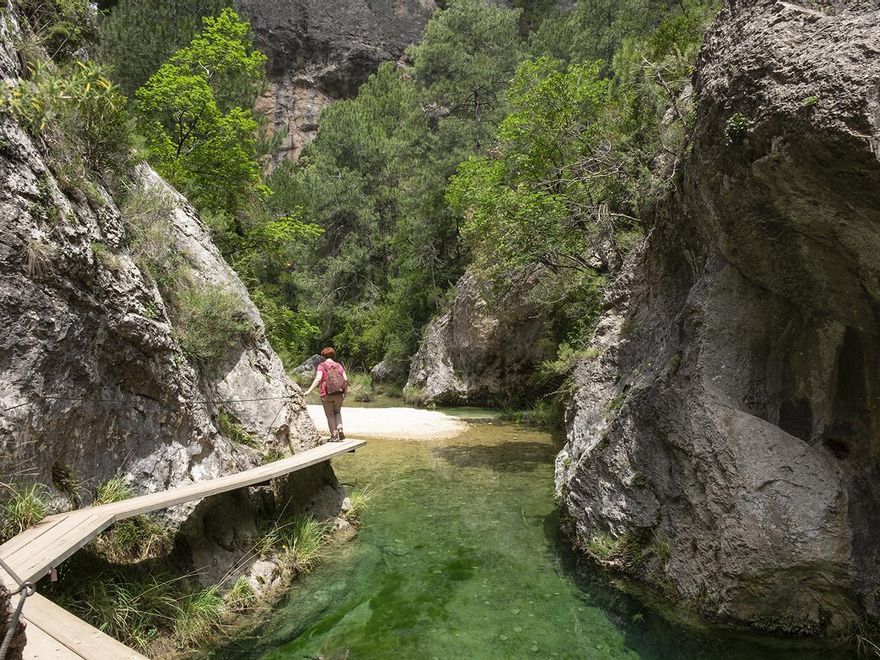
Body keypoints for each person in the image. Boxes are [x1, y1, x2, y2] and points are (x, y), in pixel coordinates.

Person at [304, 347, 349, 441]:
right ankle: (340, 428)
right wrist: (345, 392)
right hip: (339, 393)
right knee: (337, 412)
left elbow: (318, 379)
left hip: (326, 394)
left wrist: (308, 391)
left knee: (330, 415)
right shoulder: (339, 365)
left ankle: (334, 436)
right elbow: (346, 379)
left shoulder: (321, 365)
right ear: (333, 355)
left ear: (323, 356)